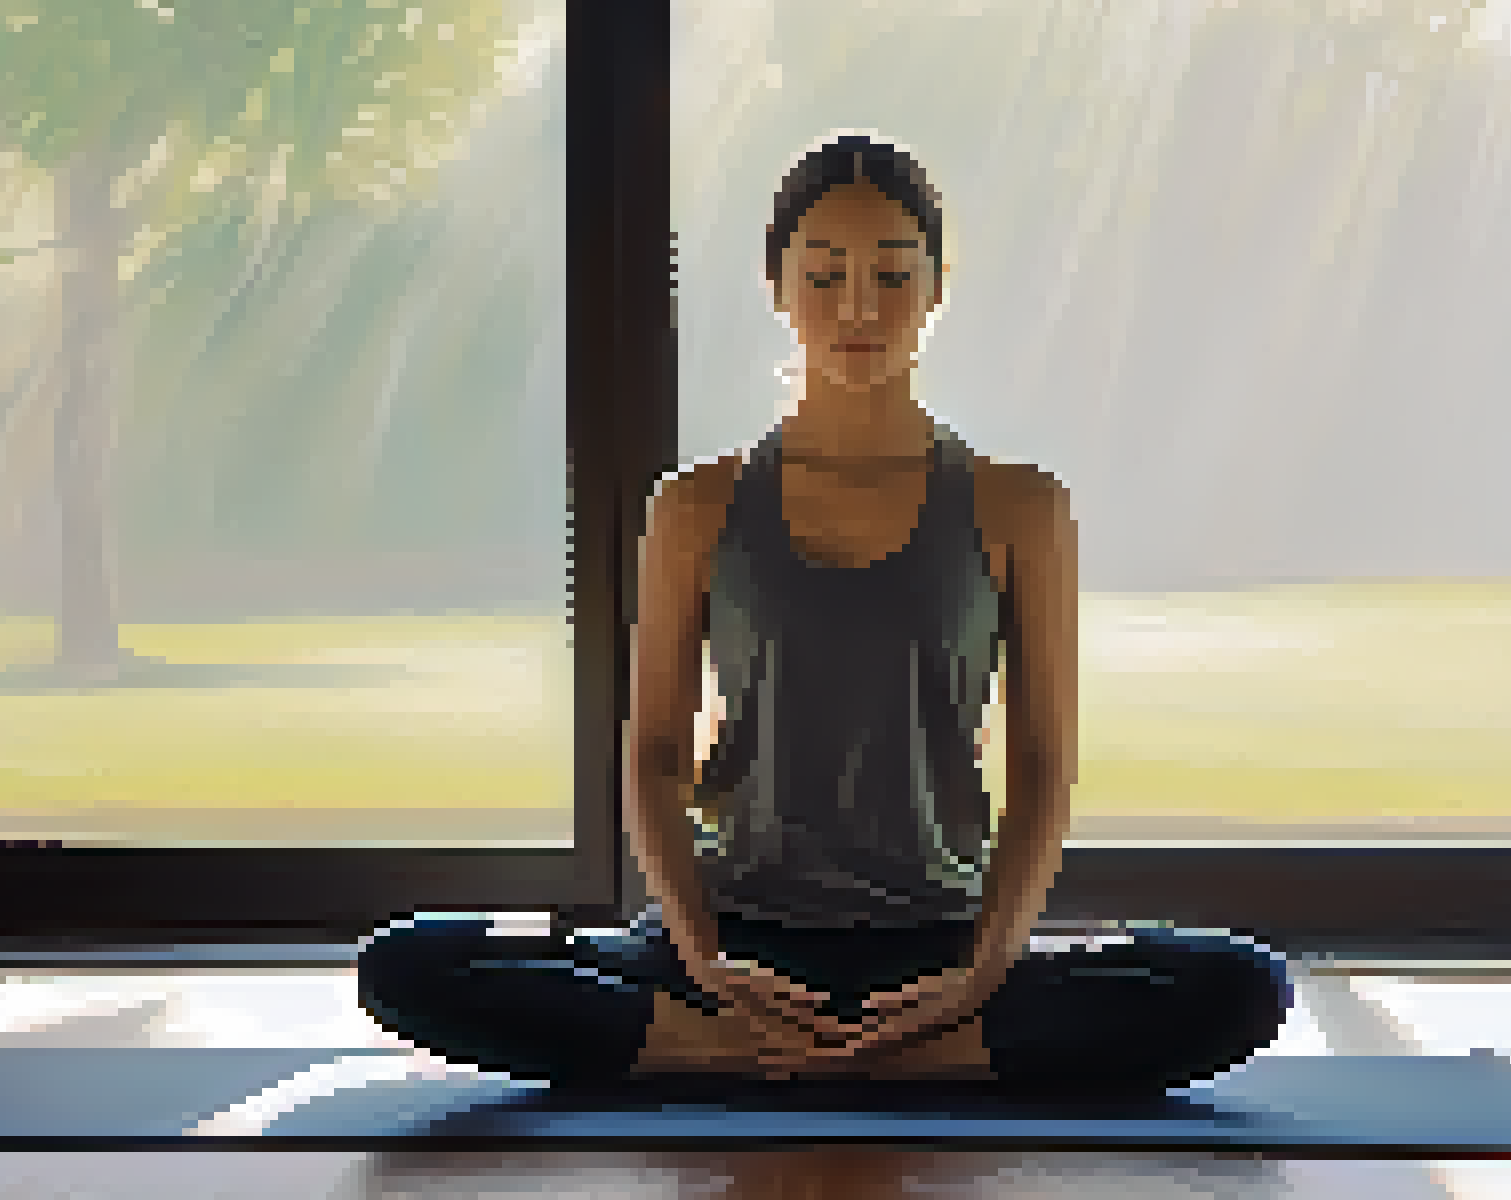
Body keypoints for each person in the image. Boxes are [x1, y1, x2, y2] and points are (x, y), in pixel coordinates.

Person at [355, 135, 1294, 1093]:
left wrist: (985, 970)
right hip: (737, 947)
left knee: (1241, 985)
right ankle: (799, 1053)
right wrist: (707, 962)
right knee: (408, 963)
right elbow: (654, 757)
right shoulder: (695, 506)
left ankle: (876, 1048)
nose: (857, 308)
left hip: (937, 944)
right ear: (778, 285)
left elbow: (1044, 762)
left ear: (934, 288)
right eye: (825, 274)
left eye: (891, 275)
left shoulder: (1022, 506)